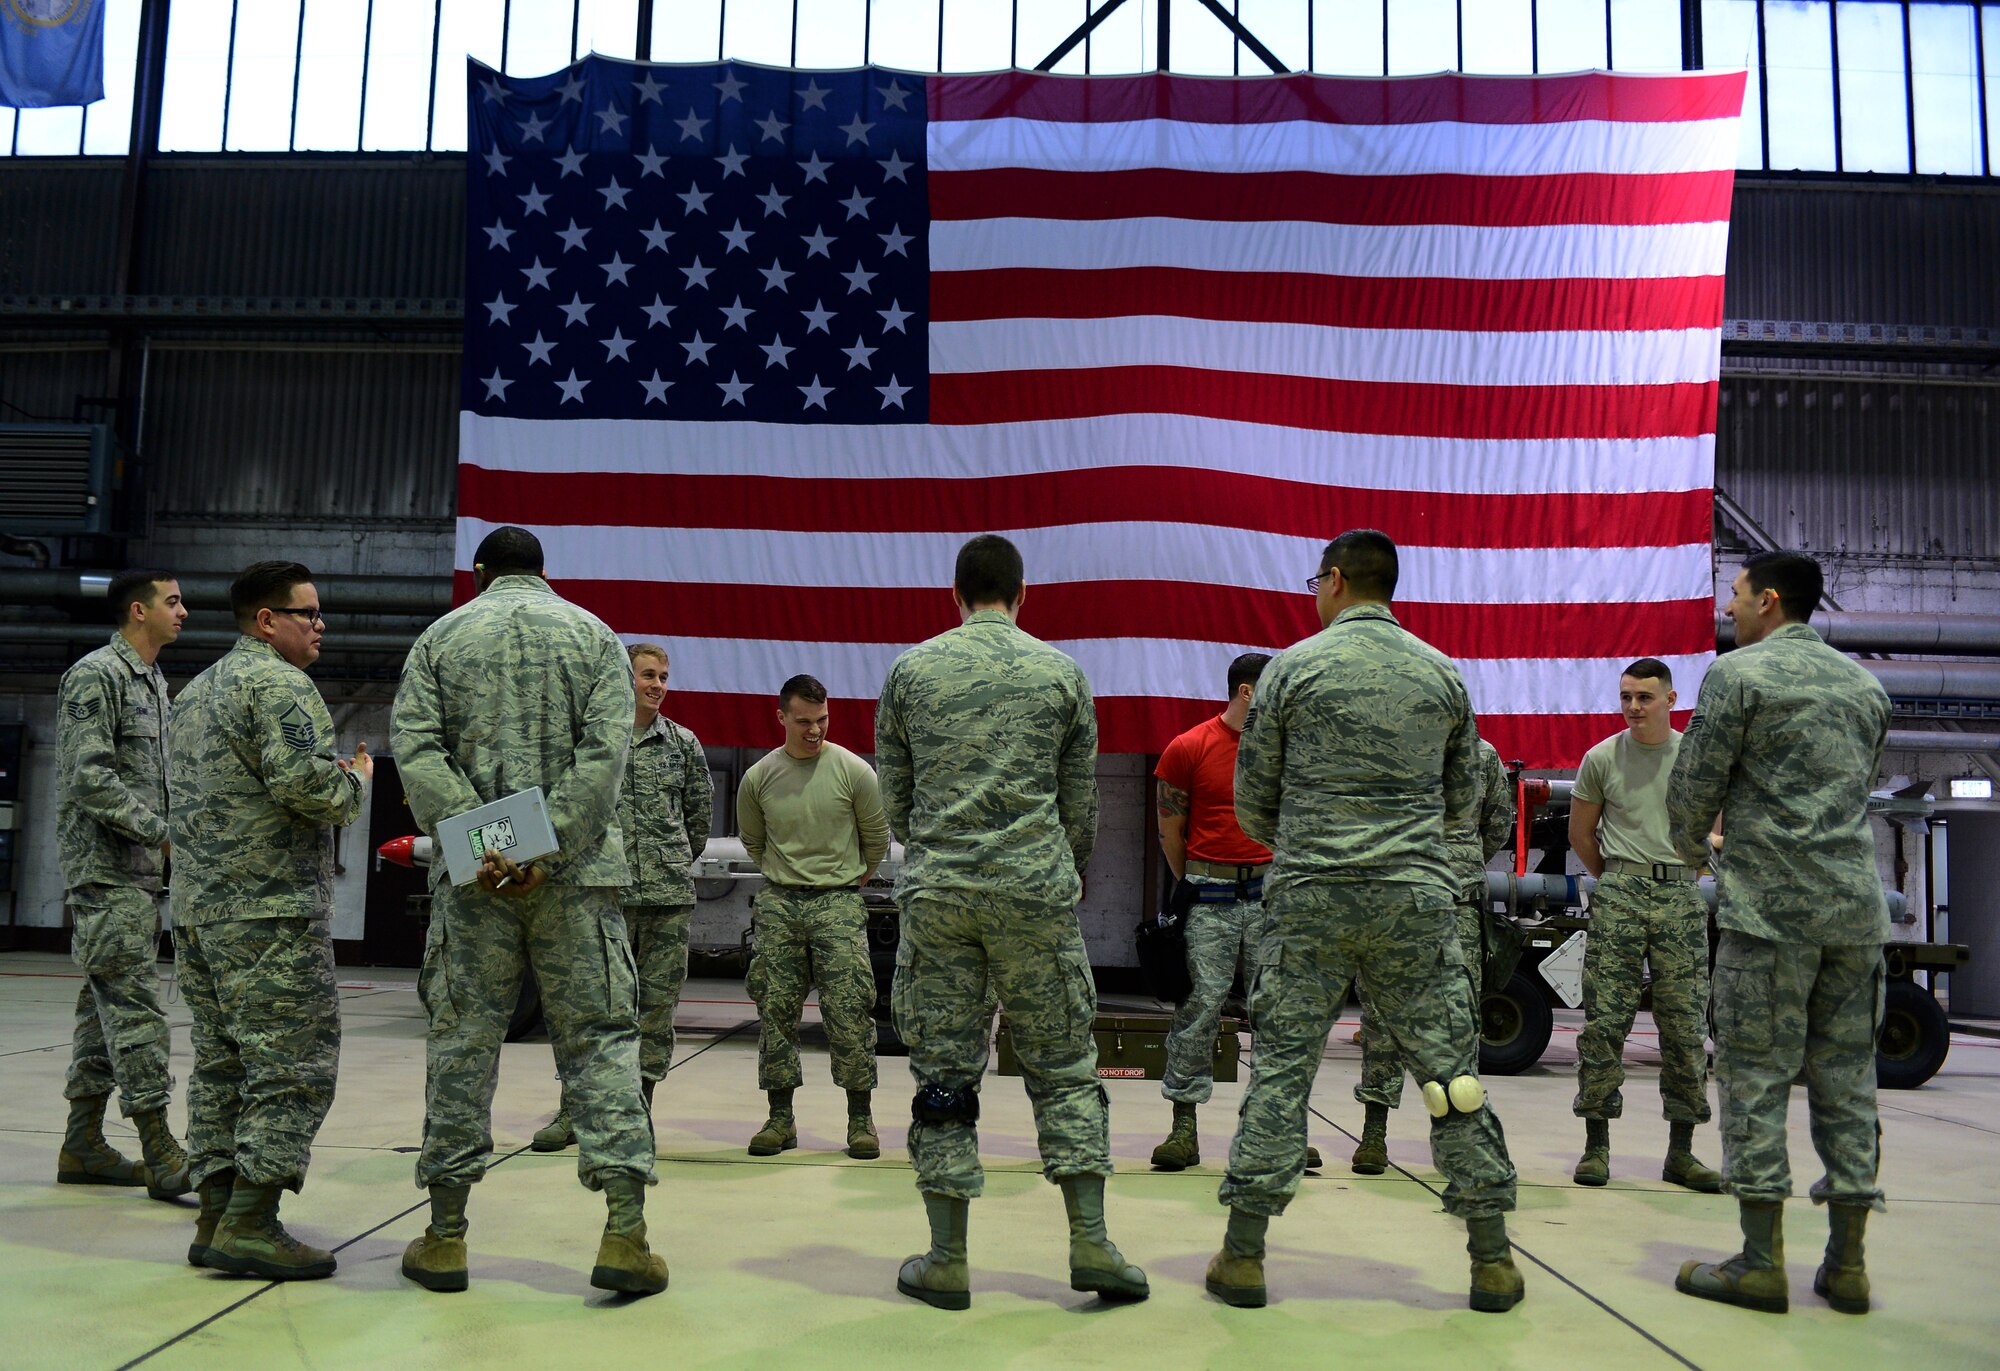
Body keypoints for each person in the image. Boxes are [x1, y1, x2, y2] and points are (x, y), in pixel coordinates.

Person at [1206, 530, 1521, 1313]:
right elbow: (1460, 799)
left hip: (1311, 894)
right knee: (1451, 1073)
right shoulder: (1440, 673)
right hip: (1413, 898)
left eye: (1318, 579)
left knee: (1282, 1067)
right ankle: (1491, 1259)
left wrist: (1314, 843)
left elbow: (1253, 797)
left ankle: (1244, 1256)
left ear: (1337, 581)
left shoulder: (1292, 670)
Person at [876, 533, 1147, 1310]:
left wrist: (941, 849)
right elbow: (1081, 809)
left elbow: (899, 799)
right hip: (1034, 893)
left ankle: (947, 1256)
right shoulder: (1062, 674)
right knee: (1064, 1066)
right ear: (1023, 595)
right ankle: (1092, 1240)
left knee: (944, 1070)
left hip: (942, 895)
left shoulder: (911, 671)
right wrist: (1050, 866)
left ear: (954, 593)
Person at [391, 526, 663, 1297]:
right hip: (573, 882)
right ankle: (624, 1233)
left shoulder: (438, 641)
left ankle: (444, 1237)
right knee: (602, 1043)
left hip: (475, 885)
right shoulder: (594, 637)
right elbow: (604, 756)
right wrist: (540, 852)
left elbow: (415, 750)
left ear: (480, 574)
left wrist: (488, 847)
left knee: (461, 1043)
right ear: (544, 572)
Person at [1667, 551, 1891, 1316]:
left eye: (1733, 595)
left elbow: (1695, 787)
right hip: (1856, 915)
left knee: (1755, 1078)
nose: (1727, 608)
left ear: (1768, 600)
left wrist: (1690, 845)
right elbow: (1858, 785)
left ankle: (1761, 1261)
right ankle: (1849, 1263)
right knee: (1849, 1079)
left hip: (1771, 914)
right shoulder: (1866, 685)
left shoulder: (1739, 676)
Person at [168, 561, 370, 1279]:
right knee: (293, 1065)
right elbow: (304, 785)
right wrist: (355, 782)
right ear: (266, 620)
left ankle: (216, 1214)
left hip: (197, 912)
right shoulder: (281, 685)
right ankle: (251, 1222)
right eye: (307, 613)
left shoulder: (192, 694)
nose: (320, 626)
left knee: (222, 1064)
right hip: (268, 914)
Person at [1148, 653, 1323, 1173]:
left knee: (1279, 1018)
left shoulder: (1287, 752)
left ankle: (1277, 1133)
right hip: (1210, 900)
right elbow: (1171, 833)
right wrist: (1201, 884)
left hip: (1272, 899)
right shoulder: (1188, 749)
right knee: (1198, 1011)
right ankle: (1183, 1131)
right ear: (1246, 692)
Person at [533, 643, 711, 1152]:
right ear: (622, 678)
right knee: (588, 1007)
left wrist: (664, 861)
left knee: (655, 1011)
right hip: (600, 896)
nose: (657, 684)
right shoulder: (592, 745)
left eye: (664, 676)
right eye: (647, 675)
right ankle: (574, 1111)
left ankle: (639, 1111)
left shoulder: (683, 744)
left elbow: (697, 821)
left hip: (666, 899)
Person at [54, 568, 191, 1202]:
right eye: (173, 601)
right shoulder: (96, 676)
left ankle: (83, 1144)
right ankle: (160, 1148)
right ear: (138, 611)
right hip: (106, 872)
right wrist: (162, 833)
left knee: (101, 1013)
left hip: (136, 877)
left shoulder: (155, 683)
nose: (183, 611)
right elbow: (89, 778)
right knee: (136, 1012)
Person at [1564, 659, 1723, 1192]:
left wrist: (1681, 868)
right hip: (1620, 894)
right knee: (1605, 1024)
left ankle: (1682, 1152)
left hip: (1680, 896)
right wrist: (1617, 878)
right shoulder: (1601, 758)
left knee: (1683, 1029)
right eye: (1627, 696)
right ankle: (1596, 1147)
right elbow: (1582, 833)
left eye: (1645, 697)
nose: (1634, 706)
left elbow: (1712, 831)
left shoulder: (1694, 761)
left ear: (1670, 700)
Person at [736, 674, 889, 1159]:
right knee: (775, 1012)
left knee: (849, 1013)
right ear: (781, 717)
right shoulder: (759, 777)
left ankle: (860, 1120)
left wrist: (845, 881)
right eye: (803, 721)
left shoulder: (853, 772)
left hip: (838, 904)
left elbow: (876, 841)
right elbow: (754, 842)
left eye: (822, 720)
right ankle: (780, 1119)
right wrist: (787, 876)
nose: (814, 730)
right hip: (780, 903)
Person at [1351, 734, 1515, 1174]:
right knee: (1381, 1021)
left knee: (1458, 1022)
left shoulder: (1481, 755)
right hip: (1390, 902)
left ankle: (1460, 1139)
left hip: (1455, 904)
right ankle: (1373, 1134)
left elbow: (1498, 825)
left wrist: (1456, 862)